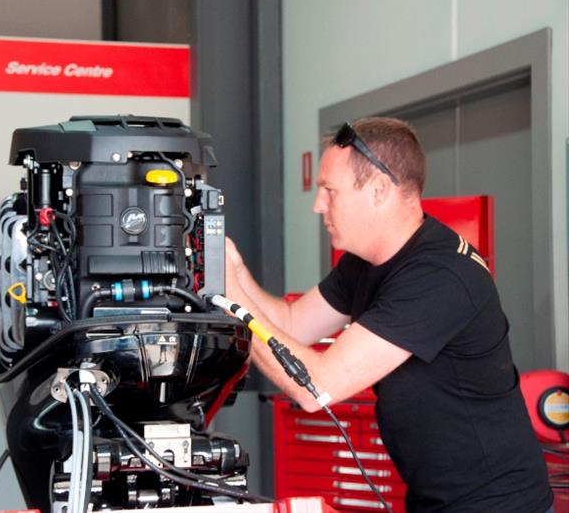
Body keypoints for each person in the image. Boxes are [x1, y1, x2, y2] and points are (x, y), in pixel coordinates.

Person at [225, 117, 553, 512]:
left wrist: (226, 299)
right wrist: (234, 273)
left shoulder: (440, 275)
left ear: (379, 189)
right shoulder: (365, 262)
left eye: (330, 191)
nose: (318, 205)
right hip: (432, 499)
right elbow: (293, 323)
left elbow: (316, 388)